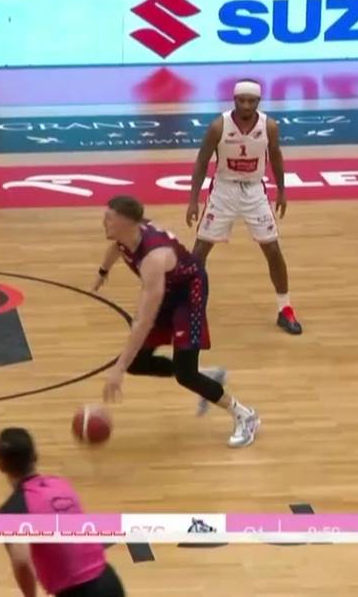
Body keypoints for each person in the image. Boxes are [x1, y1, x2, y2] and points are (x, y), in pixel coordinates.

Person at [94, 195, 259, 448]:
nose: (103, 222)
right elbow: (118, 248)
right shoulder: (128, 236)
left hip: (188, 294)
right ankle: (209, 375)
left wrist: (117, 369)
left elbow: (144, 321)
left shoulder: (153, 259)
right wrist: (103, 272)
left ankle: (245, 415)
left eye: (109, 218)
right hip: (167, 288)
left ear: (127, 223)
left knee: (186, 375)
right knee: (137, 362)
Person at [186, 79, 303, 336]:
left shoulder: (269, 126)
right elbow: (202, 161)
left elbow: (276, 156)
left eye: (251, 101)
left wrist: (282, 190)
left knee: (273, 249)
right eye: (242, 100)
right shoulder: (218, 126)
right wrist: (193, 199)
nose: (246, 105)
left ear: (258, 102)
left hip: (254, 190)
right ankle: (190, 307)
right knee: (200, 250)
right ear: (234, 100)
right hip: (224, 190)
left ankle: (285, 308)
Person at [0, 427, 127, 597]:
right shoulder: (60, 484)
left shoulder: (12, 510)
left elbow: (22, 562)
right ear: (35, 457)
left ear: (1, 466)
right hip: (109, 581)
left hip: (77, 592)